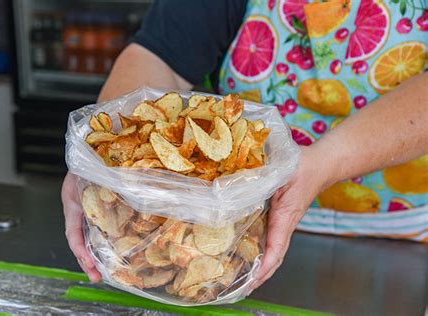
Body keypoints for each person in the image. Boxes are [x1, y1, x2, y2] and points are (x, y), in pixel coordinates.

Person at [62, 0, 428, 290]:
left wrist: (325, 162)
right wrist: (104, 160)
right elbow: (159, 55)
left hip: (404, 240)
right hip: (233, 236)